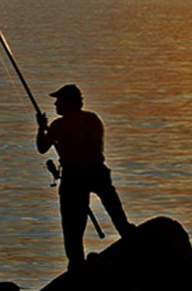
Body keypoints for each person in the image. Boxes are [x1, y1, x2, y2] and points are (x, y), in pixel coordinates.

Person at [37, 83, 134, 269]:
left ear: (70, 102)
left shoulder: (58, 125)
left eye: (59, 100)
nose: (56, 104)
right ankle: (128, 235)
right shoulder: (93, 119)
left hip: (74, 177)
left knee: (72, 224)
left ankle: (76, 264)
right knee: (114, 210)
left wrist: (42, 128)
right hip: (98, 170)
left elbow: (42, 148)